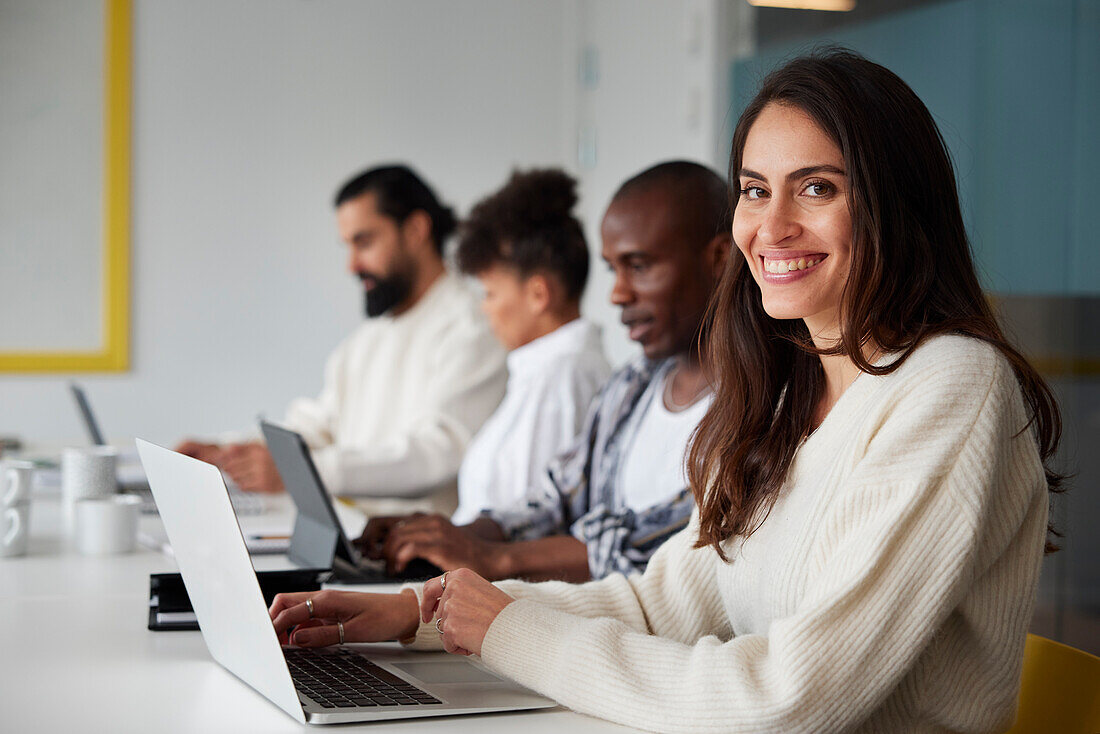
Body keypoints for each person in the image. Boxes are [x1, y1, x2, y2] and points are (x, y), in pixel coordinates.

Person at [270, 50, 1063, 732]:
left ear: (895, 205)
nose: (772, 225)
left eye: (817, 188)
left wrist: (512, 632)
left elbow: (788, 703)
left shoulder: (950, 384)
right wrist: (424, 611)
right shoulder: (789, 394)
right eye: (755, 189)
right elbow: (667, 604)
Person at [361, 161, 732, 582]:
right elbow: (555, 497)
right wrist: (442, 536)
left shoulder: (762, 403)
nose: (616, 293)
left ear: (720, 258)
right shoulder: (632, 386)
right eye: (613, 269)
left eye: (640, 266)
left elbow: (670, 543)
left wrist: (493, 556)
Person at [177, 165, 507, 517]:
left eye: (364, 242)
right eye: (347, 245)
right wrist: (231, 452)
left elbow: (438, 453)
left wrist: (298, 473)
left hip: (422, 559)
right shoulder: (369, 338)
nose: (351, 265)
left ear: (416, 230)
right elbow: (319, 427)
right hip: (354, 539)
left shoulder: (474, 327)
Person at [448, 168, 611, 525]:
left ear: (538, 294)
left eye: (490, 293)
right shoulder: (543, 369)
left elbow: (532, 524)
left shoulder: (564, 375)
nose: (484, 307)